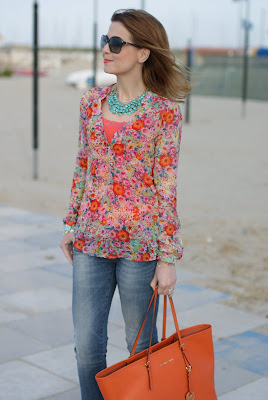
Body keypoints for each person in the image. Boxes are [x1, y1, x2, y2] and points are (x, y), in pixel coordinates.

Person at [59, 8, 192, 400]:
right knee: (87, 350)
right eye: (105, 40)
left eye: (116, 43)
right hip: (90, 244)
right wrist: (71, 222)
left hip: (140, 250)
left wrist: (168, 258)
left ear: (142, 53)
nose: (107, 49)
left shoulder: (164, 114)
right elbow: (83, 165)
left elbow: (166, 188)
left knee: (142, 350)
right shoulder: (89, 103)